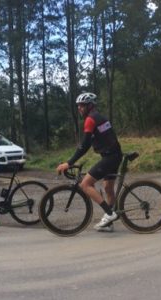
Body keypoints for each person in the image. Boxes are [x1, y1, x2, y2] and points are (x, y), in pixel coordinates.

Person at [54, 92, 124, 233]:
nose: (80, 108)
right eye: (78, 106)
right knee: (108, 188)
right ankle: (108, 223)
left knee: (85, 184)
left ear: (90, 106)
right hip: (114, 155)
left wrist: (69, 162)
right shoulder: (100, 117)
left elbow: (84, 145)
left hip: (110, 157)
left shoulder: (90, 120)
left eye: (82, 105)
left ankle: (110, 214)